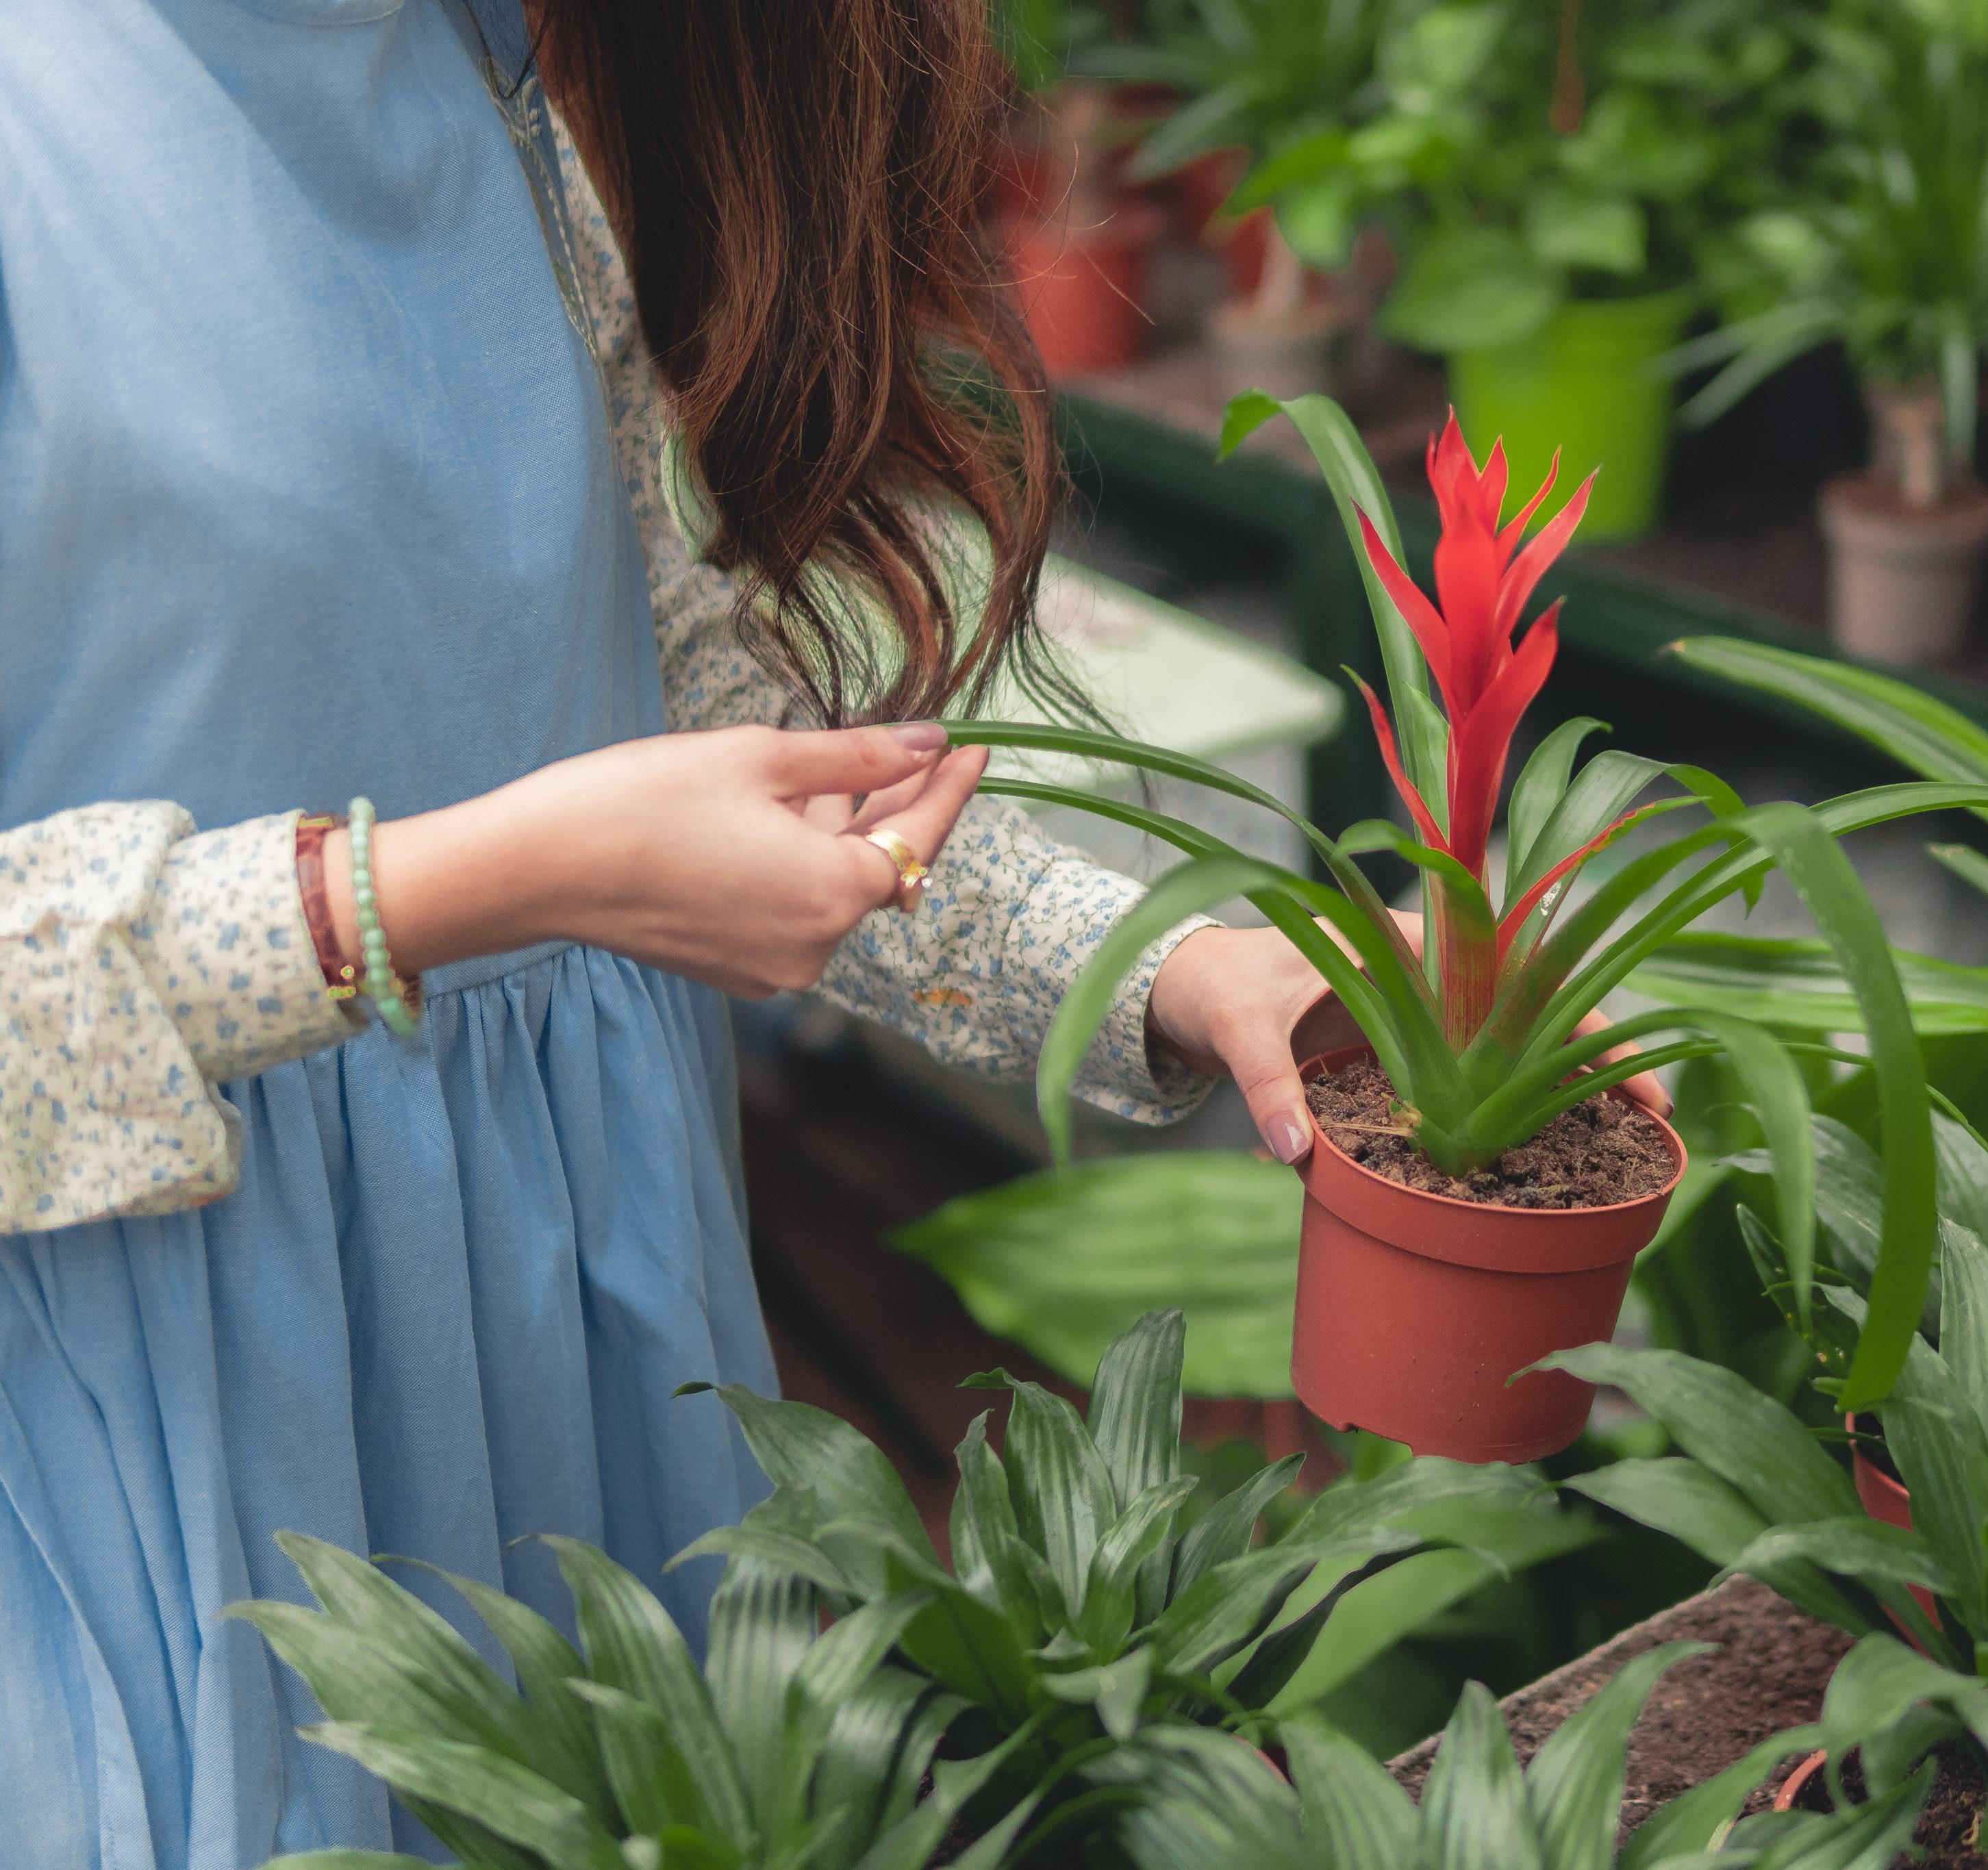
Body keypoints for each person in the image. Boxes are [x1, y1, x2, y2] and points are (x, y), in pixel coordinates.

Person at [0, 1, 1349, 1859]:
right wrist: (443, 890)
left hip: (583, 1320)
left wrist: (1170, 965)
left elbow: (705, 726)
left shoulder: (481, 83)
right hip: (179, 1400)